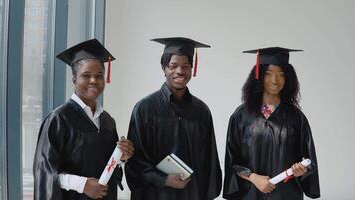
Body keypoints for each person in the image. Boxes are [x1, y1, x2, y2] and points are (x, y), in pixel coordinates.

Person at [33, 39, 134, 200]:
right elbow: (45, 172)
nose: (93, 81)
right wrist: (82, 184)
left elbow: (106, 165)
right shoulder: (58, 119)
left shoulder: (107, 120)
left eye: (99, 76)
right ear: (74, 80)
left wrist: (121, 157)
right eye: (86, 75)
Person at [125, 37, 222, 200]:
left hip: (193, 194)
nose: (180, 71)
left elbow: (209, 161)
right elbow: (136, 161)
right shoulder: (145, 109)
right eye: (173, 66)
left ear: (192, 69)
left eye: (185, 66)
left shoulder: (201, 111)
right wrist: (163, 180)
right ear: (164, 68)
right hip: (155, 195)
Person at [223, 47, 320, 200]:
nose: (275, 80)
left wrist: (302, 170)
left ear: (288, 79)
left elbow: (310, 161)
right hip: (251, 193)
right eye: (268, 74)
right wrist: (253, 177)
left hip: (286, 194)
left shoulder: (296, 118)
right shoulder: (241, 115)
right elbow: (232, 160)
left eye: (281, 75)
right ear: (259, 76)